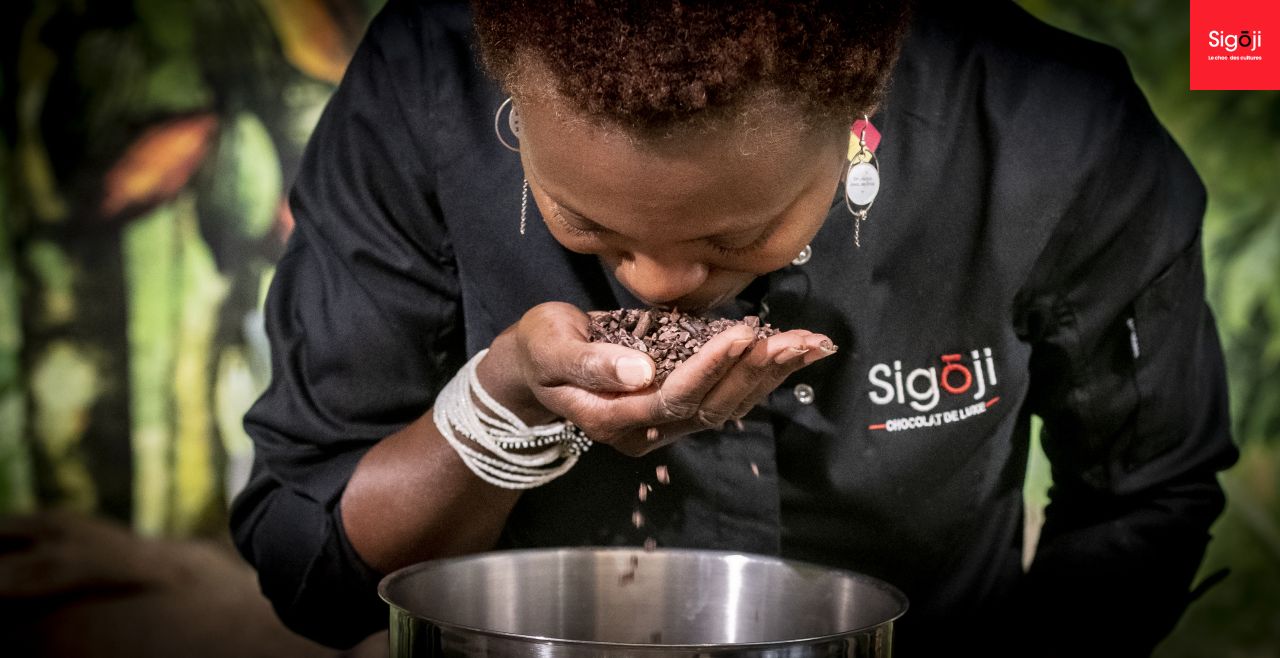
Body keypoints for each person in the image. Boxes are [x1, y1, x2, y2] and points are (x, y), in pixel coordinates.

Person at [230, 0, 1239, 655]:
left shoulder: (1049, 124)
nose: (662, 286)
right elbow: (310, 564)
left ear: (862, 113)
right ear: (506, 110)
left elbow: (1141, 497)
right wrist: (500, 410)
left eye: (736, 234)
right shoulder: (421, 88)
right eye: (586, 227)